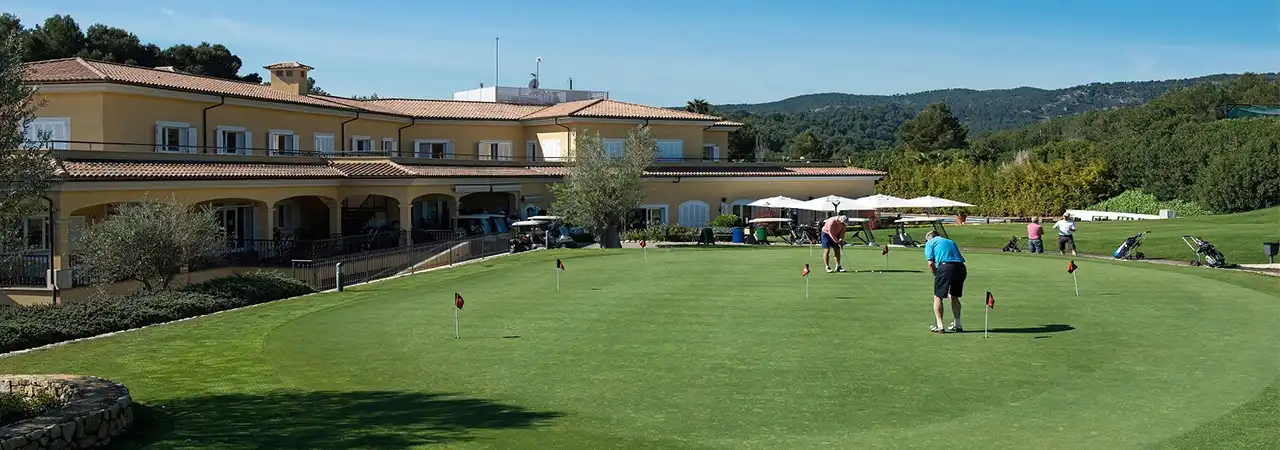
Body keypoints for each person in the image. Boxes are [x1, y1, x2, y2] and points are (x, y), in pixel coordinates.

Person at [923, 230, 966, 333]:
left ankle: (940, 326)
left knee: (938, 296)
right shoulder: (950, 241)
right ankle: (958, 324)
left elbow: (930, 263)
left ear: (929, 238)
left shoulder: (930, 243)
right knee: (953, 295)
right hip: (960, 268)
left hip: (945, 267)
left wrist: (935, 275)